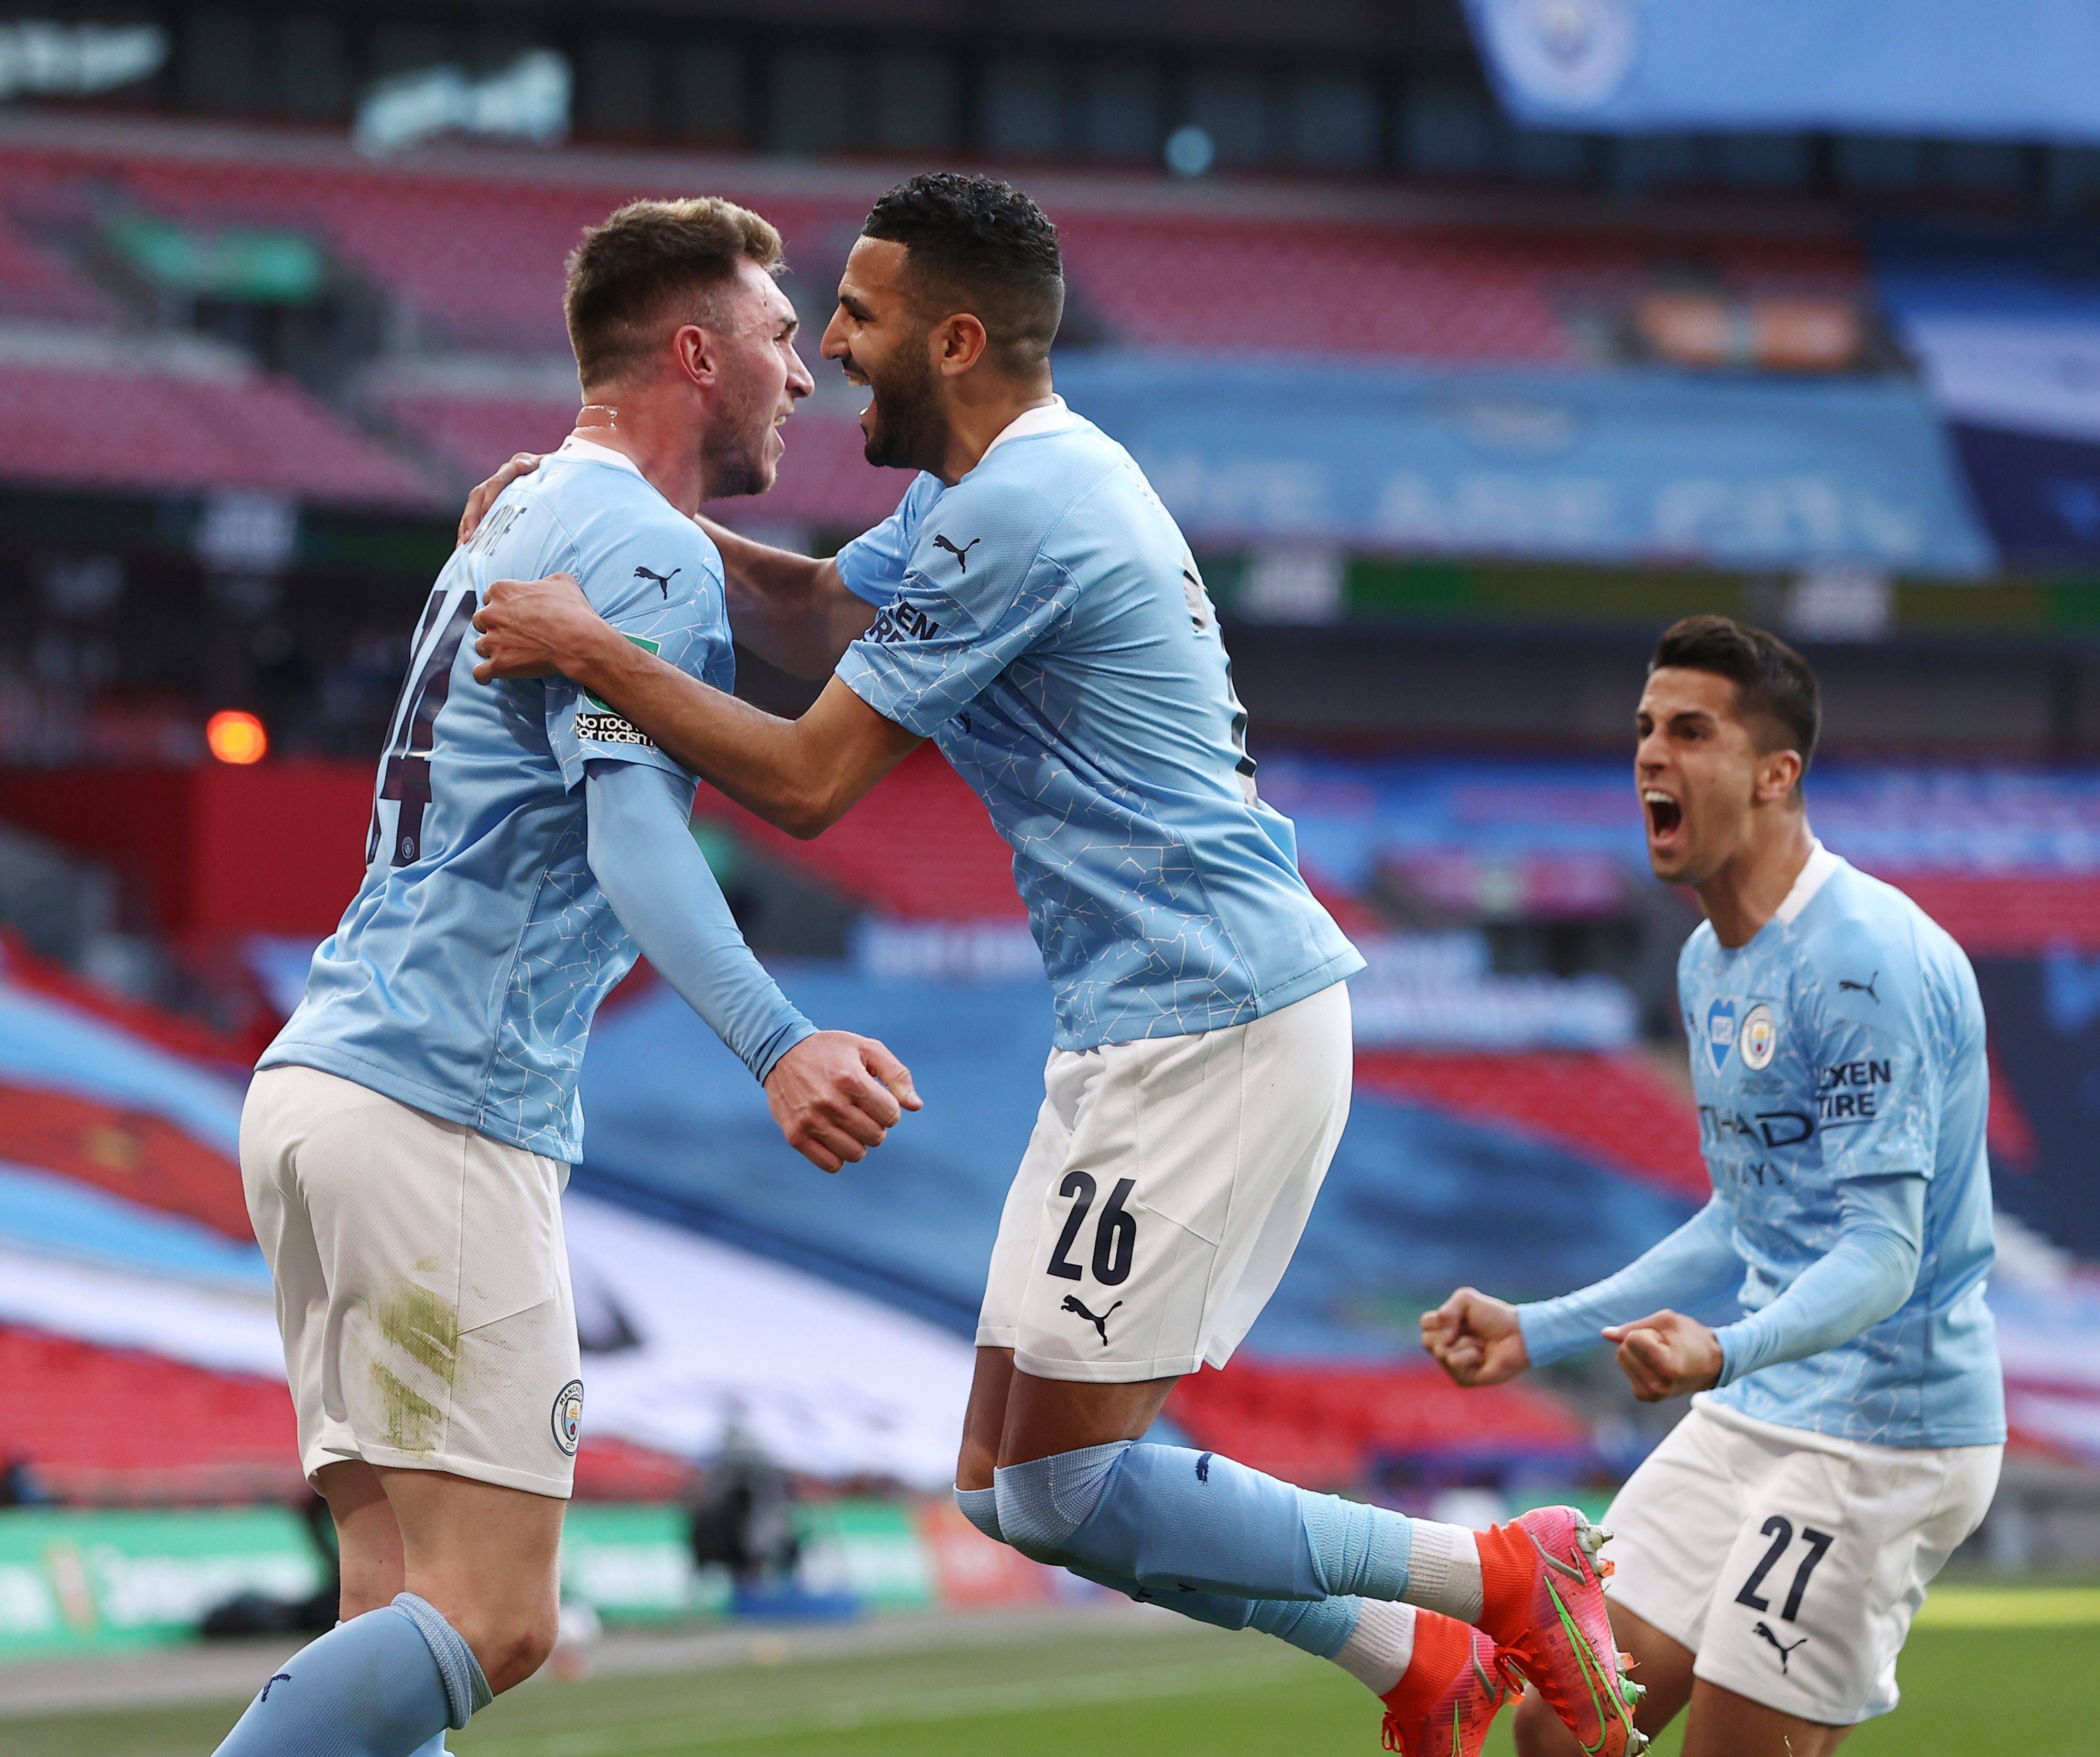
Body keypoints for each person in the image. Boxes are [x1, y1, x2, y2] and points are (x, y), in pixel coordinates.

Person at [463, 171, 1640, 1757]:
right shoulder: (978, 493)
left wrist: (592, 643)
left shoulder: (1031, 504)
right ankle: (1409, 1659)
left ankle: (1502, 1569)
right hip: (1138, 1029)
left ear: (954, 339)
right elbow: (816, 614)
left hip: (1216, 1021)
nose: (826, 347)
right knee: (1006, 1490)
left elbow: (809, 780)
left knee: (1071, 1480)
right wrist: (618, 511)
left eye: (861, 318)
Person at [216, 197, 917, 1757]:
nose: (804, 376)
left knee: (393, 1617)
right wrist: (778, 1040)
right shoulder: (640, 555)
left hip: (326, 1084)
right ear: (695, 354)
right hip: (442, 1112)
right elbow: (636, 843)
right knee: (500, 1621)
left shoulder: (523, 526)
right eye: (780, 339)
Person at [1422, 615, 2005, 1757]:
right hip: (1759, 1410)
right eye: (1645, 728)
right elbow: (1746, 1215)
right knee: (1560, 1723)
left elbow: (1881, 1251)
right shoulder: (1706, 963)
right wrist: (1539, 1331)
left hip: (1884, 1433)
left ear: (1776, 774)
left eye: (1691, 730)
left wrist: (1724, 1349)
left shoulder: (1863, 959)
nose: (1650, 753)